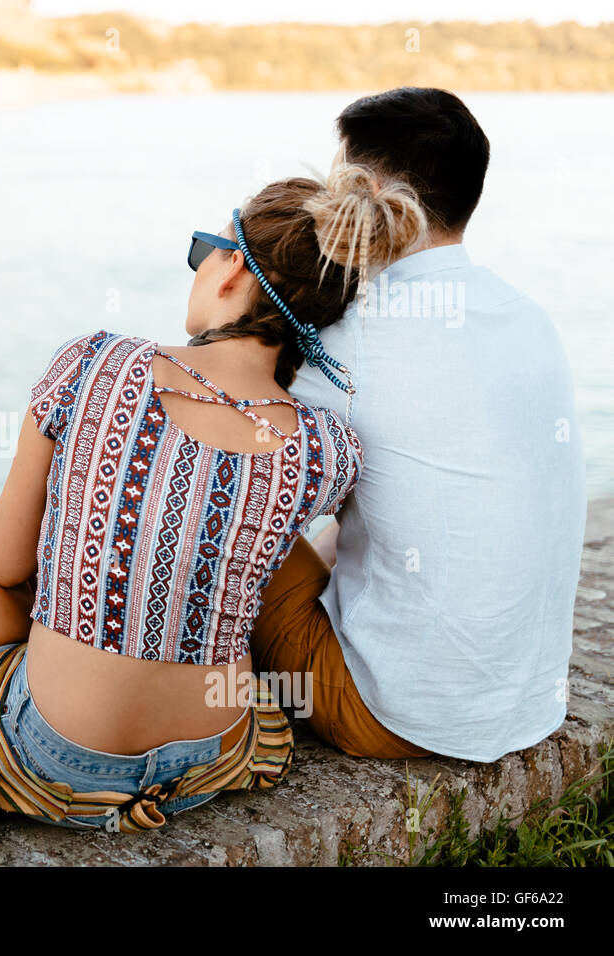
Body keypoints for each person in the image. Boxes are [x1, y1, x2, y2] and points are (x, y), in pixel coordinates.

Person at [0, 162, 426, 843]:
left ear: (232, 269)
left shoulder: (94, 363)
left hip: (60, 755)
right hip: (214, 754)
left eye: (204, 250)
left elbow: (2, 562)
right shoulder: (329, 448)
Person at [255, 87, 586, 762]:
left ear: (368, 190)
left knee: (220, 509)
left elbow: (243, 477)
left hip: (400, 716)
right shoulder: (528, 315)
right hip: (529, 702)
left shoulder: (355, 334)